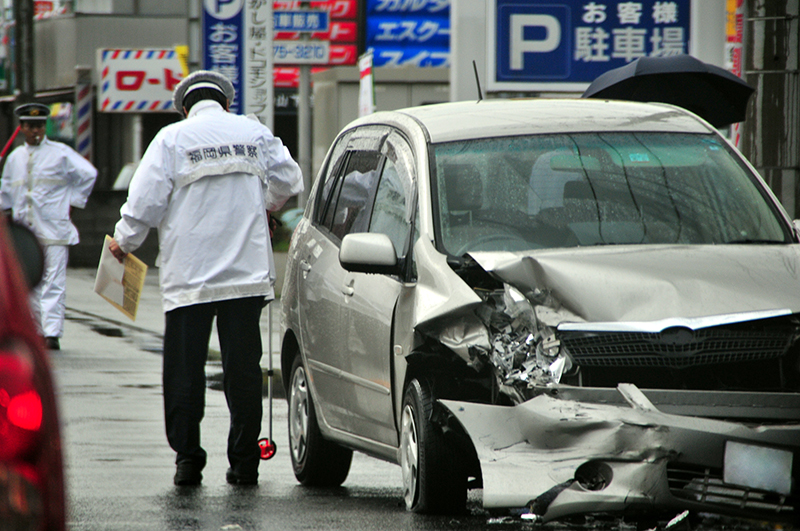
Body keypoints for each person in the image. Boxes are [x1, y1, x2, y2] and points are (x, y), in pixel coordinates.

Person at [107, 71, 303, 487]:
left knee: (184, 370)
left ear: (185, 107)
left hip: (189, 277)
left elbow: (144, 203)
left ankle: (188, 462)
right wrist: (263, 206)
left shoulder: (171, 139)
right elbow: (291, 180)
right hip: (245, 277)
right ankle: (245, 463)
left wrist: (124, 242)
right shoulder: (252, 131)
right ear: (226, 103)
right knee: (244, 371)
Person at [0, 103, 97, 350]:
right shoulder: (14, 158)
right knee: (28, 284)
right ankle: (34, 332)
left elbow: (88, 175)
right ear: (21, 128)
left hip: (54, 230)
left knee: (54, 282)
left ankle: (51, 333)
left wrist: (73, 201)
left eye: (40, 125)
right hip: (26, 233)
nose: (36, 131)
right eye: (30, 126)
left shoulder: (61, 153)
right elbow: (6, 194)